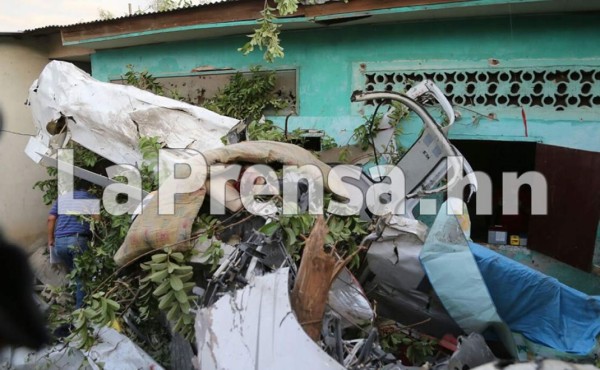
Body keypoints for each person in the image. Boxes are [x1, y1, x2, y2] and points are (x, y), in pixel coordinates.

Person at [47, 181, 100, 308]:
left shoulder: (63, 198)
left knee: (74, 273)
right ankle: (80, 311)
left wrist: (50, 239)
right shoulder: (89, 197)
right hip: (77, 241)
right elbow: (97, 219)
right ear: (88, 188)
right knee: (81, 276)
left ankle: (77, 302)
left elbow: (51, 218)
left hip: (59, 243)